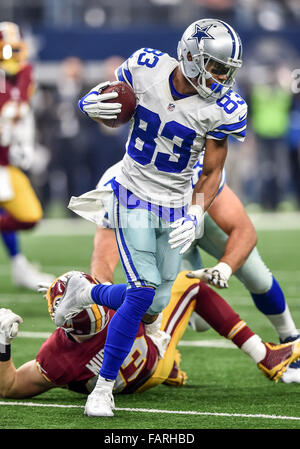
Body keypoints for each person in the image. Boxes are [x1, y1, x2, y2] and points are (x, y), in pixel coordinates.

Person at [62, 18, 247, 416]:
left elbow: (213, 172)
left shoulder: (223, 108)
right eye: (215, 67)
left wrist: (197, 212)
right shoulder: (146, 67)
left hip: (176, 203)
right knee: (142, 288)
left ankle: (85, 292)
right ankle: (103, 389)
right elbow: (111, 99)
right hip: (132, 193)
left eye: (226, 70)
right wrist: (88, 103)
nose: (220, 78)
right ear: (190, 58)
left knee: (151, 307)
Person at [70, 155, 300, 384]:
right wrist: (98, 295)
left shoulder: (195, 171)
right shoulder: (118, 184)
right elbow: (103, 261)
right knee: (181, 311)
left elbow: (244, 231)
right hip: (166, 239)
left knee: (256, 276)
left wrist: (225, 268)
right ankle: (164, 351)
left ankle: (290, 337)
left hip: (201, 221)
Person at [1, 271, 300, 403]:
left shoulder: (55, 358)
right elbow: (152, 309)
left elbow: (9, 386)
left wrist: (3, 345)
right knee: (190, 284)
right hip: (153, 356)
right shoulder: (111, 304)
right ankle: (266, 355)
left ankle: (171, 371)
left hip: (132, 384)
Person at [0, 22, 54, 289]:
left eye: (16, 49)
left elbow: (18, 104)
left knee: (29, 215)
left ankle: (20, 266)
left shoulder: (23, 73)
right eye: (7, 50)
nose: (13, 55)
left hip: (5, 163)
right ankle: (20, 265)